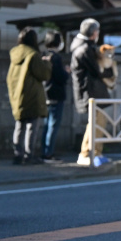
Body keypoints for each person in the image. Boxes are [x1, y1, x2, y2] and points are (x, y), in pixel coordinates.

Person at [71, 18, 114, 167]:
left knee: (98, 123)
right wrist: (108, 71)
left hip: (92, 91)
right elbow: (96, 71)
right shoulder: (84, 49)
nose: (97, 34)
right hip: (90, 92)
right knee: (95, 123)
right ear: (93, 32)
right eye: (96, 31)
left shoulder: (84, 47)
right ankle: (87, 154)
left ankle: (95, 153)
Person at [6, 27, 52, 165]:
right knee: (32, 126)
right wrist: (47, 62)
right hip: (32, 94)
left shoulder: (15, 53)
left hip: (17, 94)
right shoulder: (33, 55)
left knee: (19, 124)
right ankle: (29, 155)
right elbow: (43, 74)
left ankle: (17, 154)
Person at [42, 31, 69, 161]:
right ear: (58, 43)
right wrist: (67, 72)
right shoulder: (56, 58)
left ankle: (45, 151)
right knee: (53, 125)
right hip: (56, 94)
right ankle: (48, 153)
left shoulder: (43, 55)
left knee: (47, 125)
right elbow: (60, 77)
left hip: (45, 93)